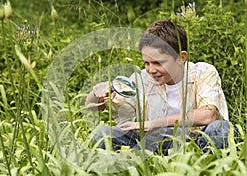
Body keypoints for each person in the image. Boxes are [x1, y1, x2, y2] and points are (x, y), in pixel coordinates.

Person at [85, 19, 237, 154]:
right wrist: (98, 92)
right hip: (154, 144)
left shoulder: (203, 72)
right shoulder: (142, 79)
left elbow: (208, 115)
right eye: (146, 63)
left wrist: (154, 124)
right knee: (103, 133)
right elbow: (92, 106)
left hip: (195, 143)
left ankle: (208, 173)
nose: (151, 70)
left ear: (181, 57)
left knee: (220, 129)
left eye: (158, 63)